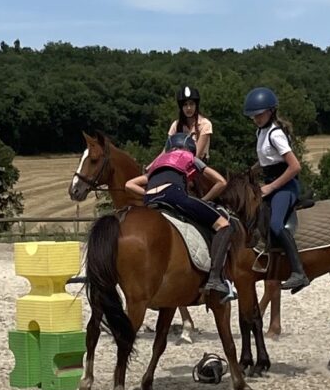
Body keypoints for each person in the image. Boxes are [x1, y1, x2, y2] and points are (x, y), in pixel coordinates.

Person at [124, 144, 238, 303]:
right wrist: (204, 201)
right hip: (174, 195)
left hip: (150, 199)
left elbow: (129, 185)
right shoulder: (190, 158)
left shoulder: (157, 164)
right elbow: (221, 182)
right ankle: (215, 279)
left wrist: (148, 194)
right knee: (223, 225)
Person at [246, 87, 309, 293]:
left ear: (271, 111)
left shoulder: (275, 134)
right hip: (270, 184)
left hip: (285, 185)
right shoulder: (260, 131)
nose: (256, 118)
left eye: (260, 114)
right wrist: (252, 171)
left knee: (274, 224)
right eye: (253, 115)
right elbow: (268, 158)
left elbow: (295, 166)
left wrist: (271, 186)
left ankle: (299, 272)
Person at [161, 87, 212, 334]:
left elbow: (197, 154)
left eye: (192, 104)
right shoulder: (175, 126)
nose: (188, 108)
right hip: (176, 174)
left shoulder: (204, 125)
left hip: (196, 173)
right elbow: (166, 152)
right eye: (185, 104)